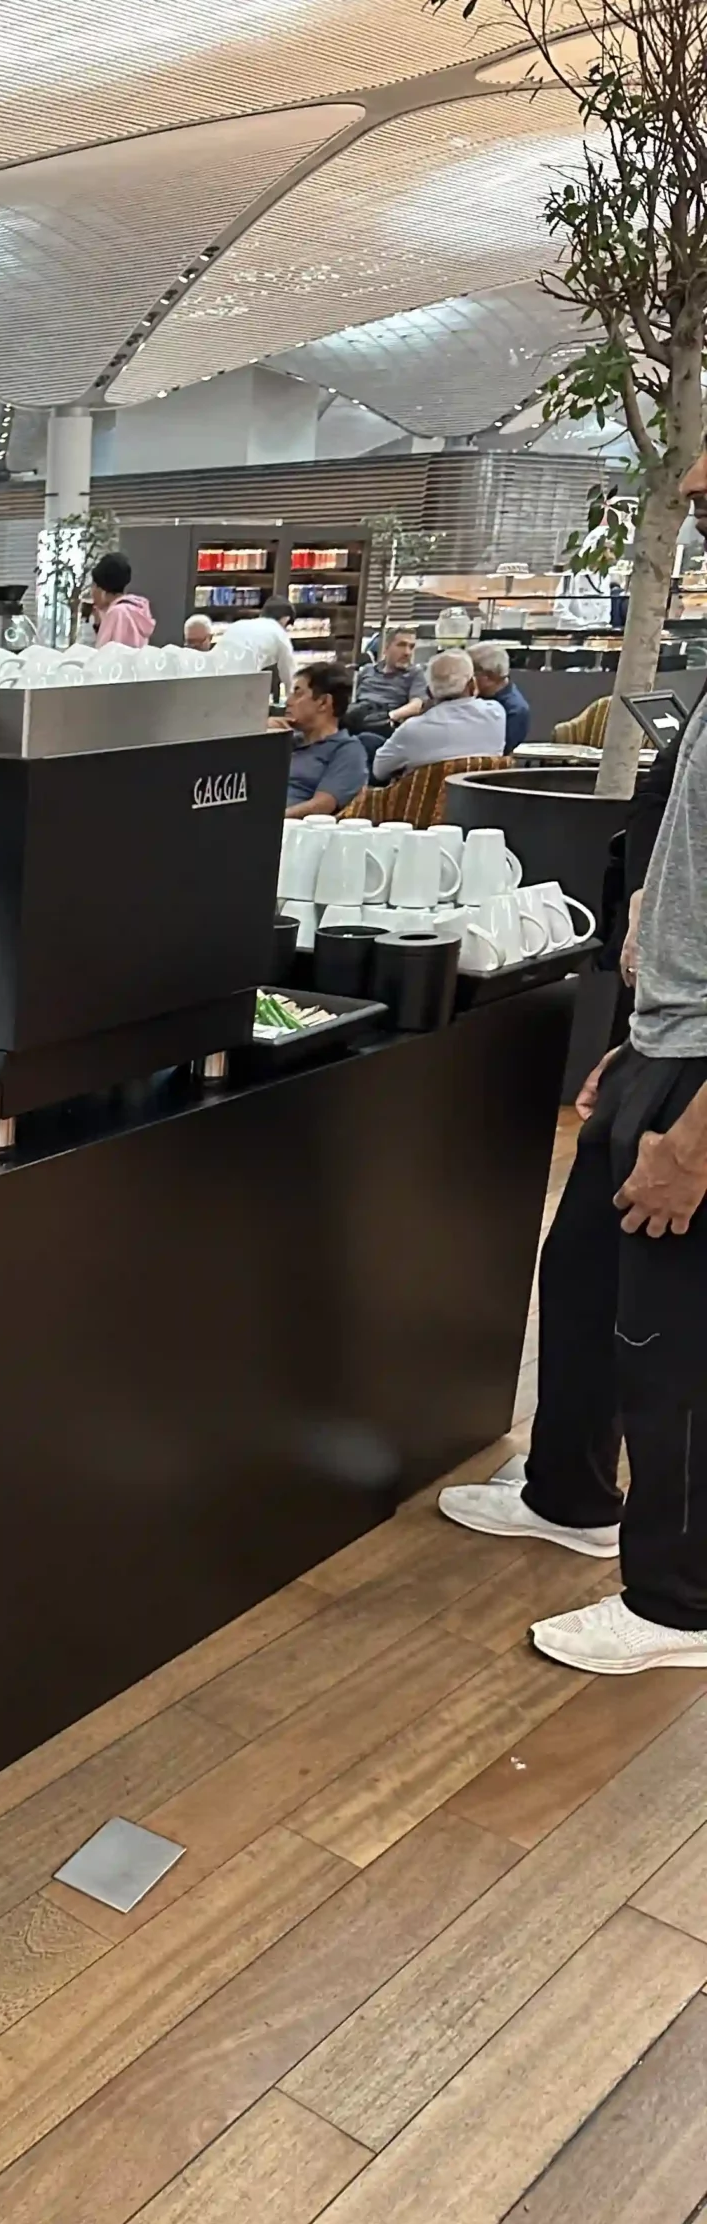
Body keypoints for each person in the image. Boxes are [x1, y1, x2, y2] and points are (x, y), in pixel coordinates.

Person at [437, 436, 707, 1674]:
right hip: (665, 1037)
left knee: (674, 1339)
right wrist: (632, 1048)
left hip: (700, 1068)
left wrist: (696, 1131)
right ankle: (568, 1497)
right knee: (587, 1281)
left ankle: (677, 1602)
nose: (692, 492)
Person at [369, 647, 506, 781]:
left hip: (422, 802)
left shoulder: (413, 730)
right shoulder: (496, 713)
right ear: (472, 684)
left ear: (428, 691)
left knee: (368, 741)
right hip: (476, 800)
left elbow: (379, 771)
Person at [277, 664, 368, 815]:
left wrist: (270, 820)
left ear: (324, 702)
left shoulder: (347, 750)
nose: (288, 701)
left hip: (288, 829)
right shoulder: (286, 740)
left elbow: (322, 805)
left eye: (298, 693)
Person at [348, 627, 422, 732]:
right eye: (401, 645)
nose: (407, 652)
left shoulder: (414, 674)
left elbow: (416, 705)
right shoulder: (368, 670)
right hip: (358, 714)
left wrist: (390, 716)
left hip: (385, 720)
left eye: (411, 647)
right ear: (386, 648)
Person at [469, 641, 532, 754]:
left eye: (470, 673)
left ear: (489, 676)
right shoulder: (468, 696)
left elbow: (498, 751)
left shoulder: (516, 711)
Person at [86, 553, 155, 649]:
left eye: (93, 586)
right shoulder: (136, 609)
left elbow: (106, 655)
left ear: (102, 588)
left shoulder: (117, 613)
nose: (91, 592)